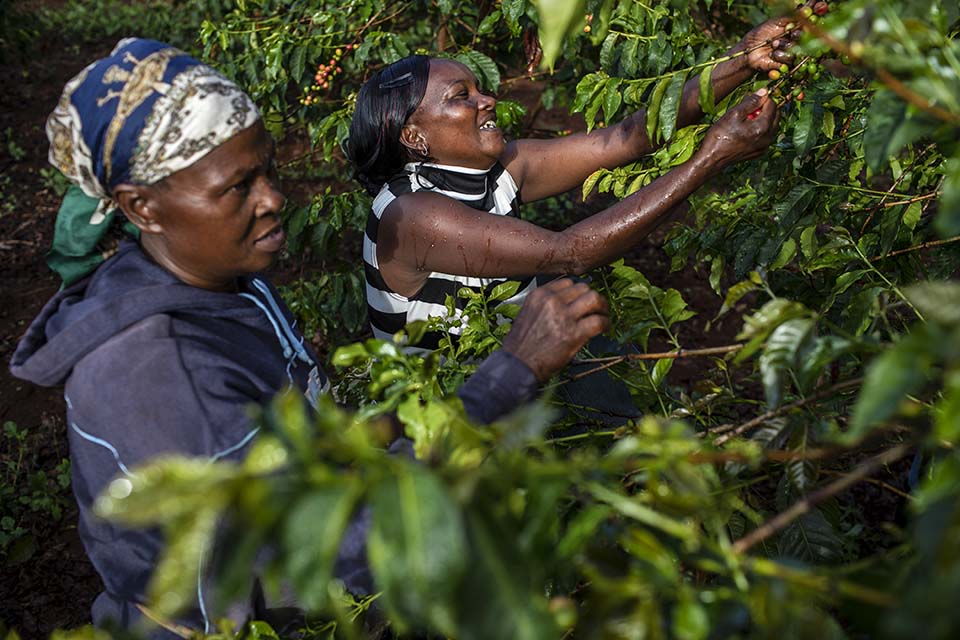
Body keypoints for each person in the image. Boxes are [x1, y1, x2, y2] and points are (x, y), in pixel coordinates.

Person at [8, 38, 609, 636]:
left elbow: (297, 437)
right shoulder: (164, 370)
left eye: (267, 169)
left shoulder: (221, 281)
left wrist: (398, 424)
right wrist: (512, 371)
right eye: (236, 187)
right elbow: (346, 539)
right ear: (142, 208)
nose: (273, 199)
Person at [344, 5, 822, 350]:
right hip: (448, 424)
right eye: (460, 96)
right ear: (414, 136)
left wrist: (742, 59)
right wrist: (709, 158)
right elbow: (568, 254)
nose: (485, 100)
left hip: (513, 385)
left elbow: (626, 139)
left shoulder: (502, 169)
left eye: (478, 89)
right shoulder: (411, 214)